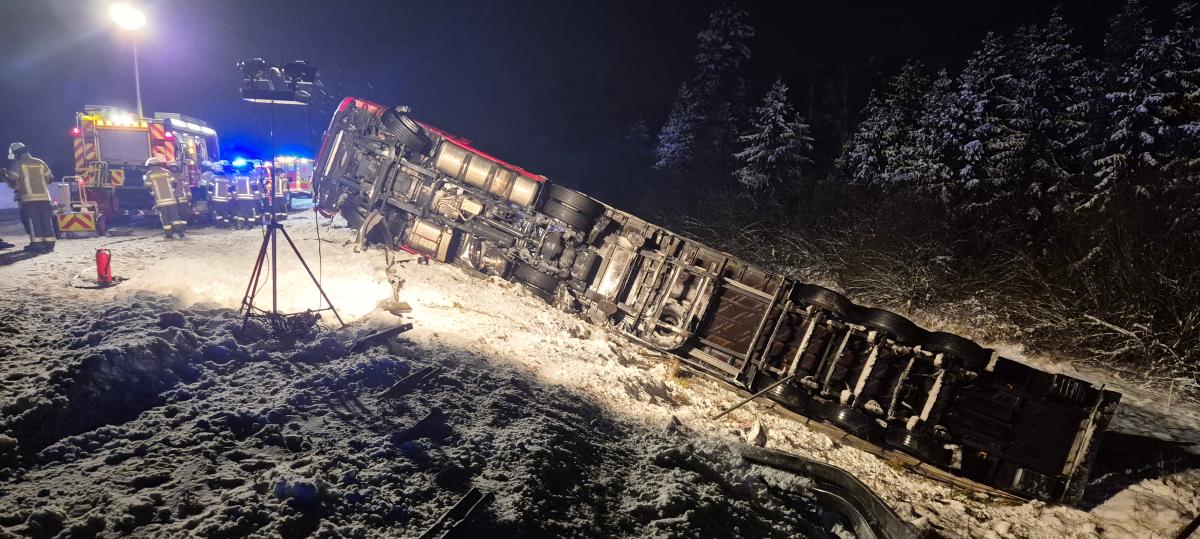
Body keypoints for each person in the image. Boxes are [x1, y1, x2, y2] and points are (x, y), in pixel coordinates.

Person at [5, 142, 56, 252]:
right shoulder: (40, 162)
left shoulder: (18, 164)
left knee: (33, 221)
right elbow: (50, 179)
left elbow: (13, 181)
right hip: (45, 198)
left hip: (29, 199)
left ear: (16, 154)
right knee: (46, 220)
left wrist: (4, 176)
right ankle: (50, 243)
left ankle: (37, 244)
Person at [144, 157, 187, 238]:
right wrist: (172, 191)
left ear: (150, 165)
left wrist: (154, 193)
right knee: (175, 217)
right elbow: (174, 183)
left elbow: (147, 187)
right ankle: (180, 233)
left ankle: (169, 235)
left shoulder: (149, 174)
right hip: (171, 199)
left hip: (161, 201)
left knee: (165, 218)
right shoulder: (167, 172)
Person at [206, 162, 234, 227]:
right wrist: (230, 197)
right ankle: (226, 224)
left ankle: (219, 224)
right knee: (225, 212)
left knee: (217, 212)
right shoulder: (227, 177)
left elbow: (210, 188)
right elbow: (230, 188)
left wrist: (209, 196)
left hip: (216, 199)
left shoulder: (213, 177)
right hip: (225, 199)